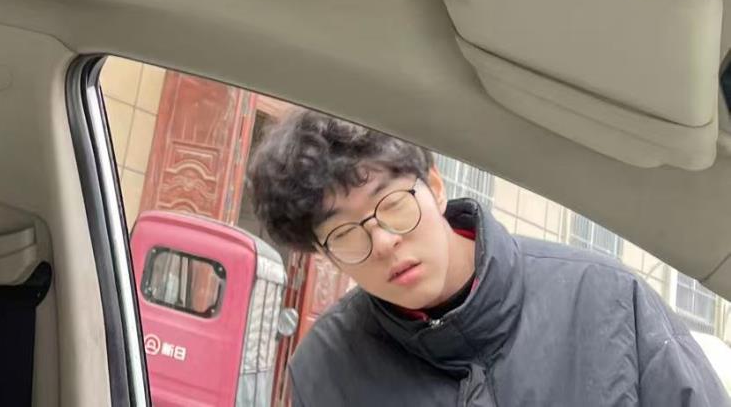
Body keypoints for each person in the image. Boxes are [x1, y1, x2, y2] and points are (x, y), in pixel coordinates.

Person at [247, 109, 727, 406]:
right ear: (327, 255)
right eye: (346, 234)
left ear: (435, 186)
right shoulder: (326, 369)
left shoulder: (608, 301)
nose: (385, 242)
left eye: (393, 204)